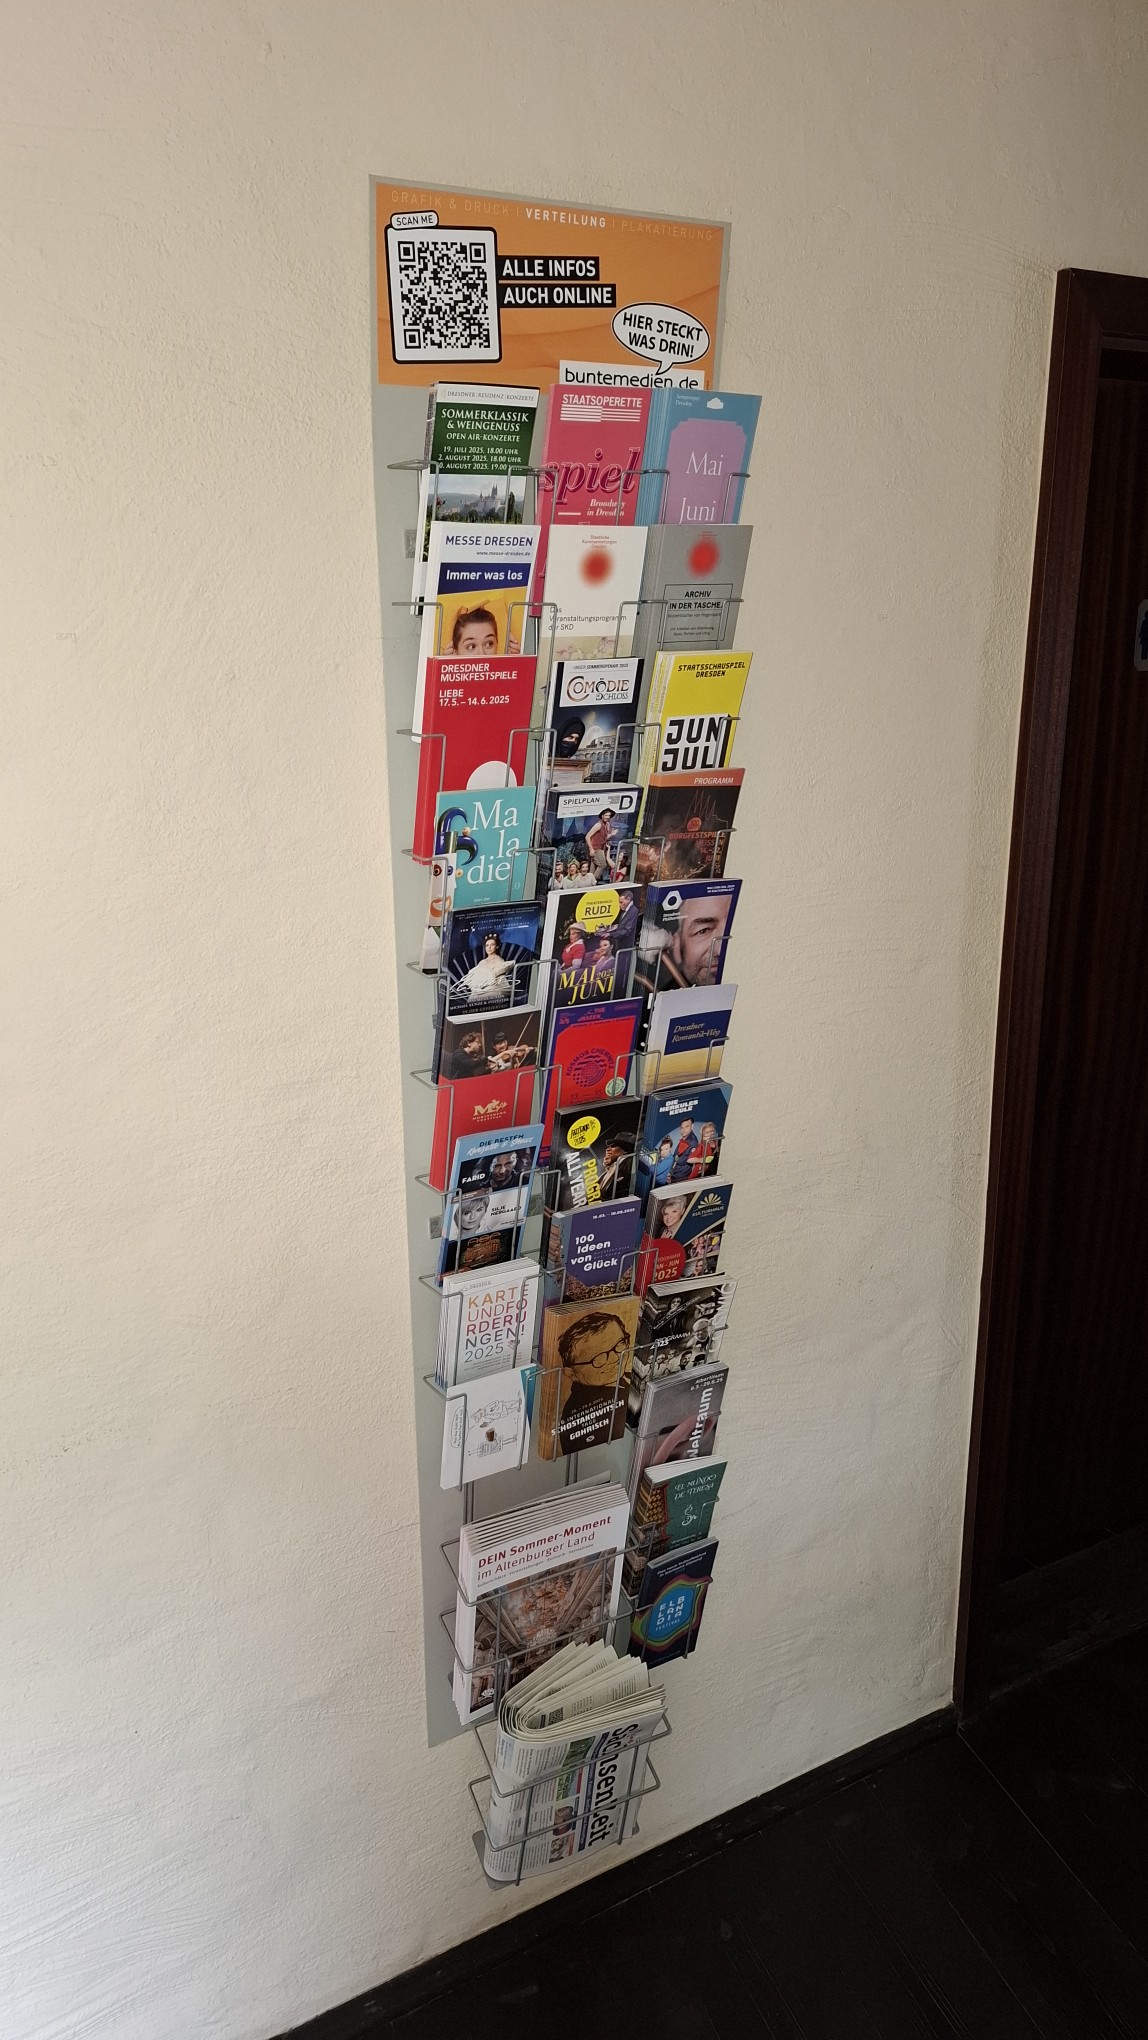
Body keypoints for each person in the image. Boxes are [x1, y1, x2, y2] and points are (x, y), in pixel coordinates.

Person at [553, 1310, 632, 1453]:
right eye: (598, 1358)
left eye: (619, 1344)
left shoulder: (625, 1377)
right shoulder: (579, 1413)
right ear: (571, 1373)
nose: (615, 1358)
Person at [455, 930, 515, 1005]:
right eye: (487, 945)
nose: (489, 948)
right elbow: (474, 974)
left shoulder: (499, 960)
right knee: (473, 998)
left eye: (492, 945)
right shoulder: (482, 962)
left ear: (497, 946)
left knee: (492, 992)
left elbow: (497, 974)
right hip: (480, 986)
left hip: (494, 985)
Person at [584, 808, 616, 880]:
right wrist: (591, 849)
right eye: (606, 815)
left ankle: (588, 881)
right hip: (596, 849)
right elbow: (587, 836)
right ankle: (592, 881)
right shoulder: (598, 825)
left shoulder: (606, 825)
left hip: (601, 848)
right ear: (602, 816)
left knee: (593, 868)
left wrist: (611, 834)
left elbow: (604, 837)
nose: (607, 817)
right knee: (602, 865)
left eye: (609, 816)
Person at [669, 1117, 699, 1182]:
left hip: (681, 1175)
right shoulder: (684, 1138)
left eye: (687, 1127)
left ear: (692, 1126)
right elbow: (676, 1154)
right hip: (675, 1173)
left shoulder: (692, 1142)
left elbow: (681, 1160)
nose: (684, 1130)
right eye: (682, 1128)